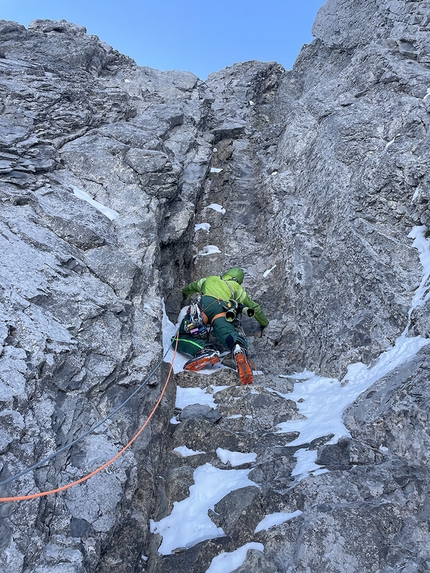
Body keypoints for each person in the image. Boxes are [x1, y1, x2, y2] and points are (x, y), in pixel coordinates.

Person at [172, 268, 269, 384]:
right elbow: (255, 307)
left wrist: (183, 295)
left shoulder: (209, 279)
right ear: (238, 280)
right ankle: (238, 348)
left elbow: (190, 288)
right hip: (223, 309)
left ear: (226, 274)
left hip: (205, 305)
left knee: (178, 338)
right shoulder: (237, 288)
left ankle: (205, 350)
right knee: (226, 332)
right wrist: (264, 323)